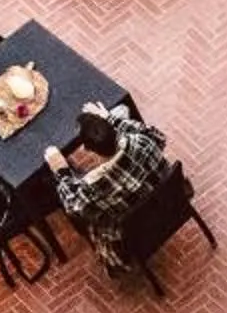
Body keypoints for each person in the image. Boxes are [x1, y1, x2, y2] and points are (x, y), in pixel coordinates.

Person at [46, 103, 172, 277]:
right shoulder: (141, 141)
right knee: (122, 109)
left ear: (88, 149)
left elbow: (73, 206)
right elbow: (159, 137)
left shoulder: (93, 185)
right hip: (169, 204)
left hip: (133, 235)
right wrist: (110, 118)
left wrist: (61, 172)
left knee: (90, 215)